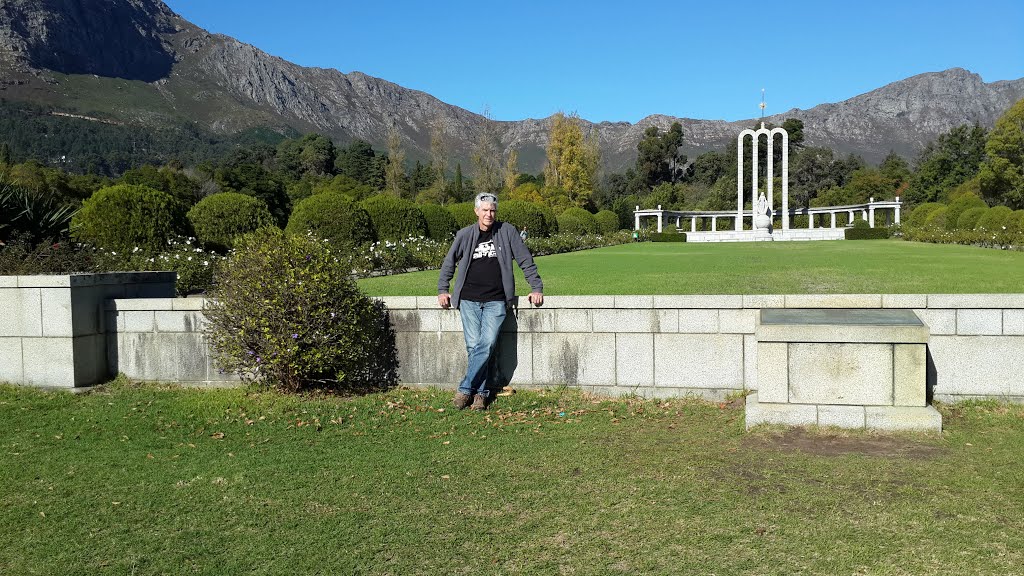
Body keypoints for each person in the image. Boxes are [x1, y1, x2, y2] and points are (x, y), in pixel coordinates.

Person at [438, 192, 543, 410]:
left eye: (492, 210)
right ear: (476, 211)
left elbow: (525, 259)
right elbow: (449, 262)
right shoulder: (465, 234)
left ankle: (465, 389)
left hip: (496, 300)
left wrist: (536, 287)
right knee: (473, 346)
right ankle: (481, 395)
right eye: (485, 210)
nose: (489, 214)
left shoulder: (507, 231)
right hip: (468, 300)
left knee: (486, 345)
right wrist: (443, 289)